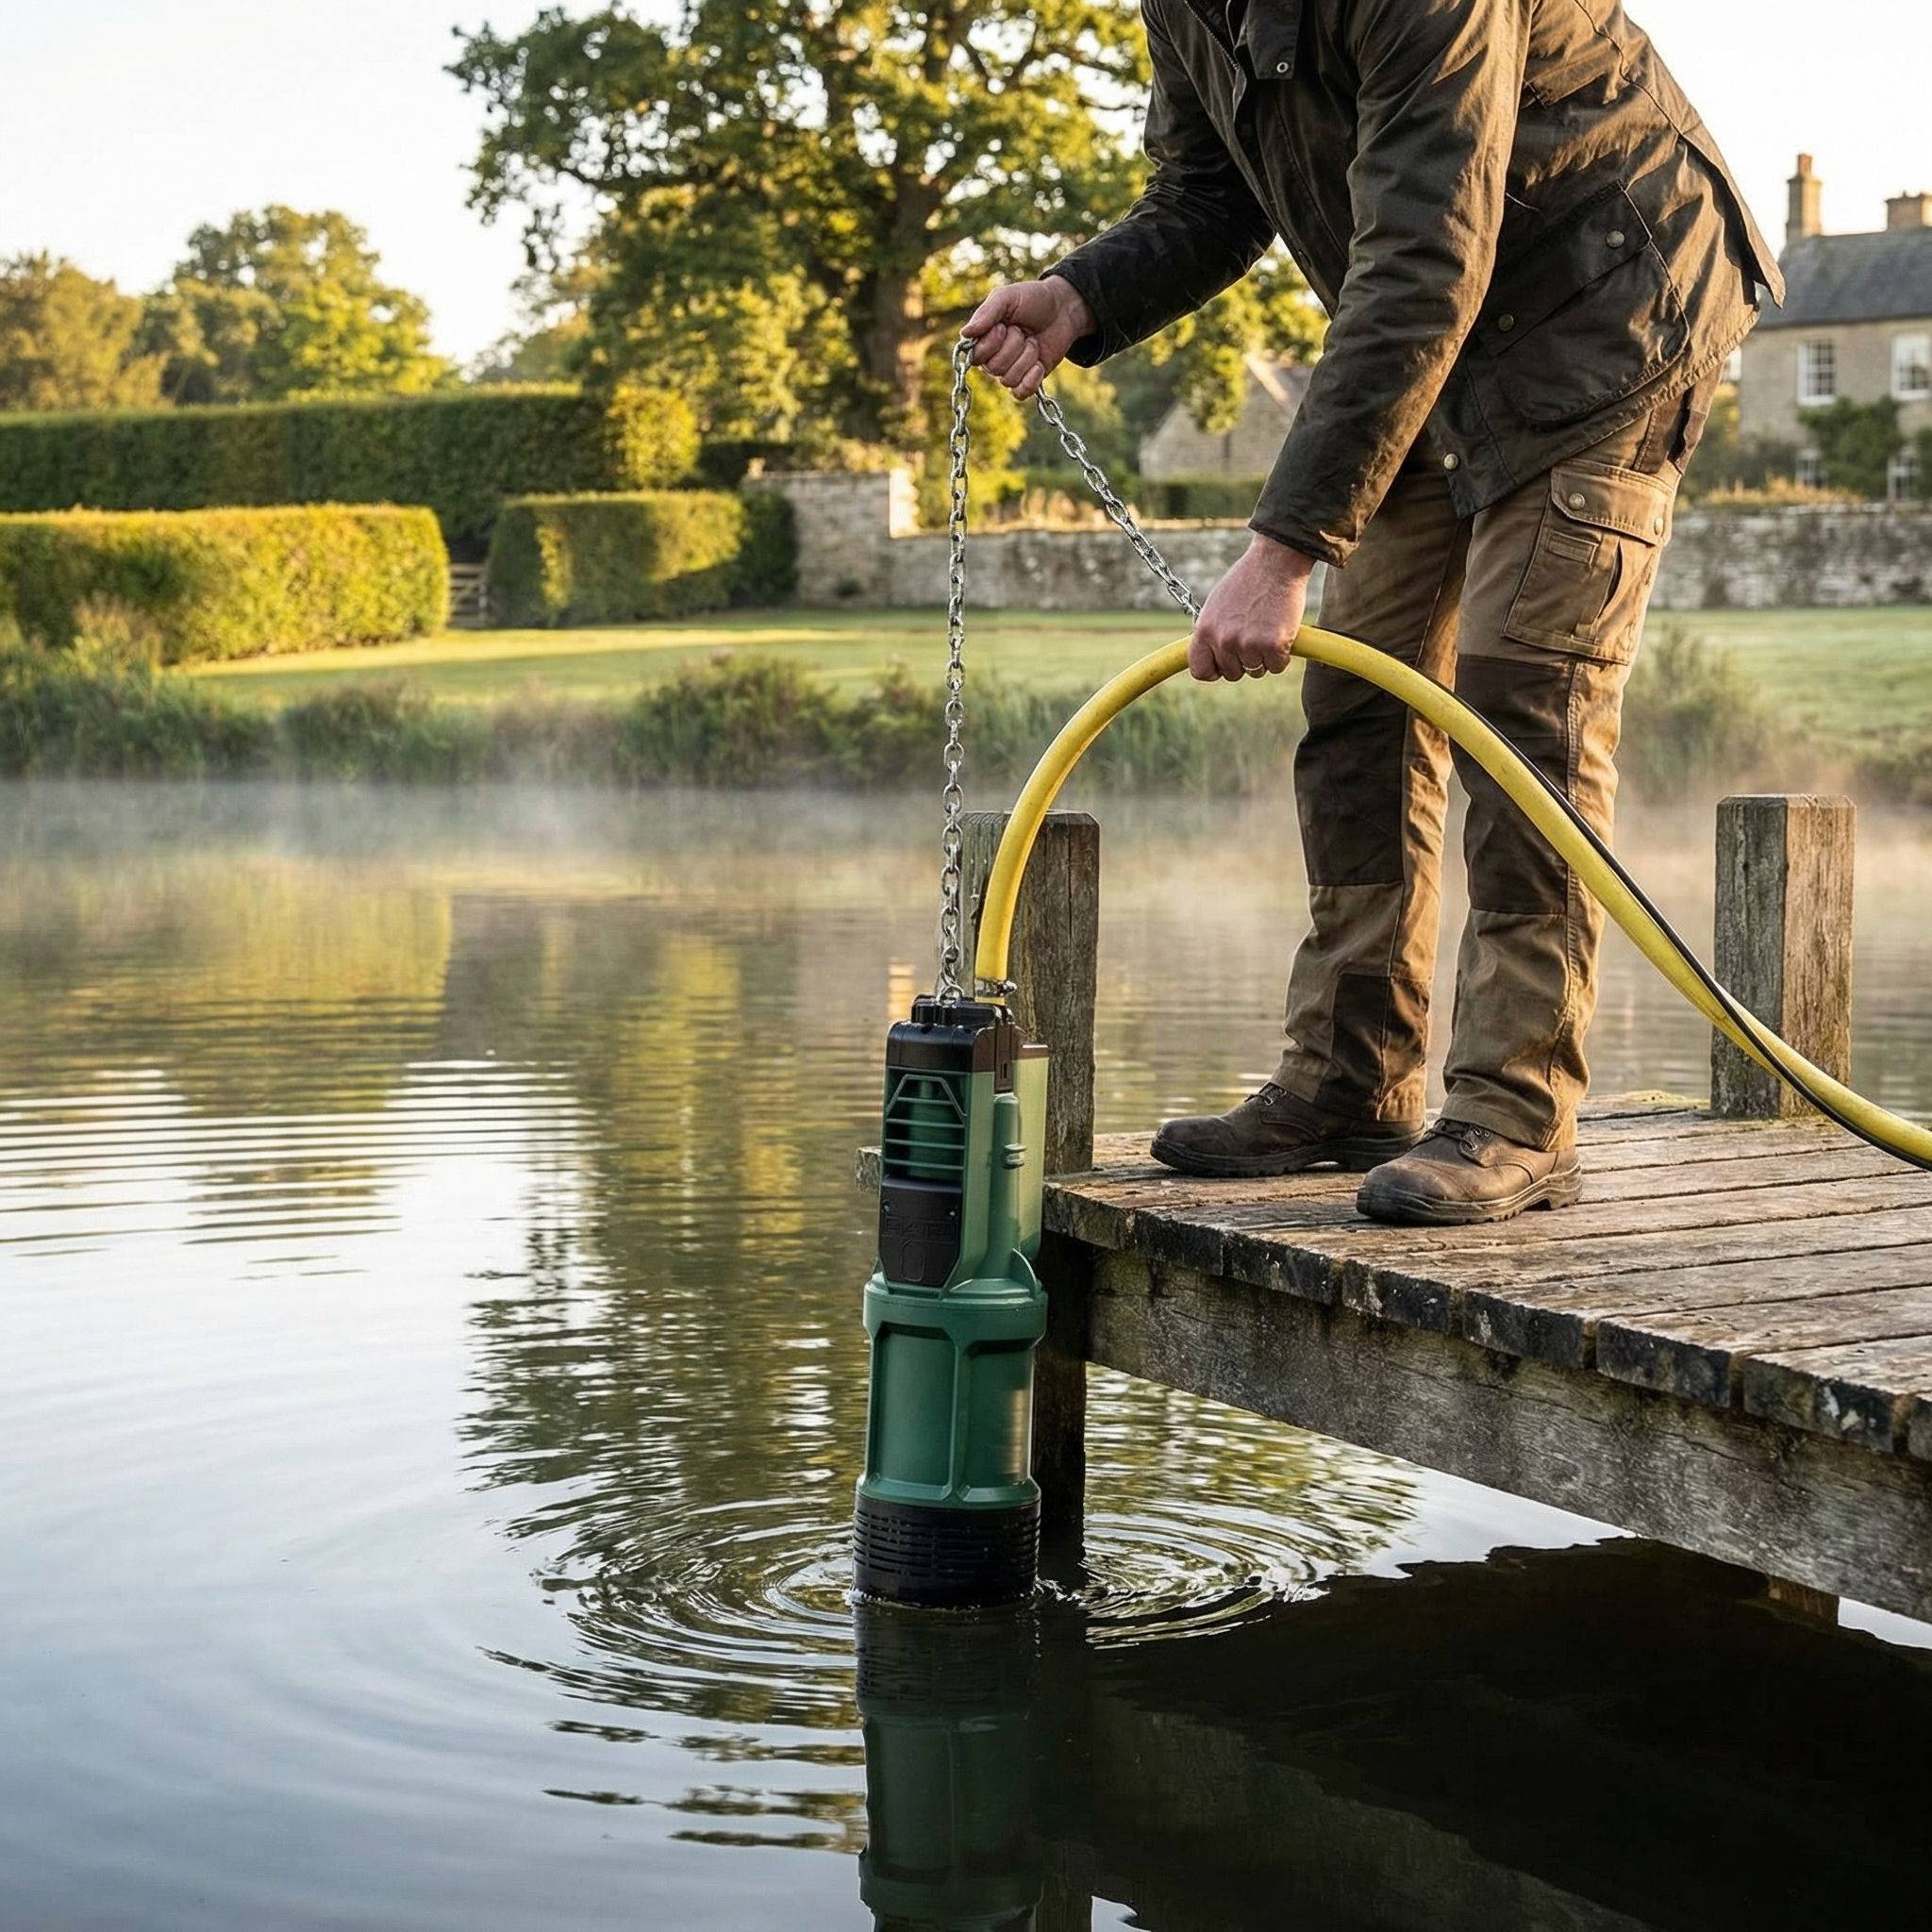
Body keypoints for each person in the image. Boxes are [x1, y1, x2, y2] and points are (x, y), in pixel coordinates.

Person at [966, 0, 1779, 1226]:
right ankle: (1353, 1080)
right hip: (1444, 339)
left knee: (1525, 699)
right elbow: (1211, 194)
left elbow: (1422, 253)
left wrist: (1283, 551)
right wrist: (1082, 295)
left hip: (1610, 311)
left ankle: (1515, 1111)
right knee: (1360, 696)